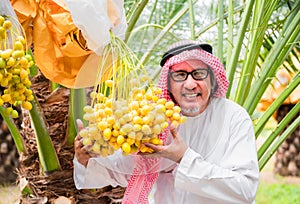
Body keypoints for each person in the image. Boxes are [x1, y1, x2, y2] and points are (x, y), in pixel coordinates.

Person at [73, 40, 260, 204]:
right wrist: (86, 160)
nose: (190, 84)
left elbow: (245, 190)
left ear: (212, 80)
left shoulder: (234, 117)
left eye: (199, 74)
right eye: (179, 75)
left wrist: (182, 158)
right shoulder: (154, 119)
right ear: (168, 84)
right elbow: (127, 172)